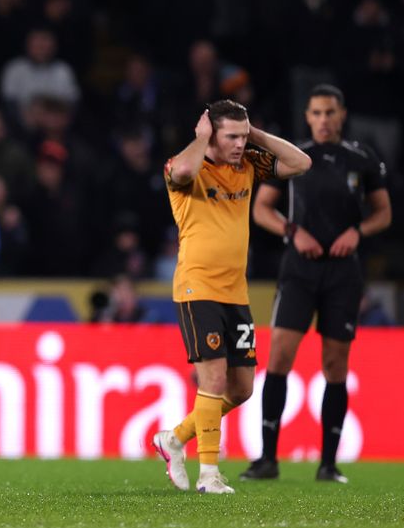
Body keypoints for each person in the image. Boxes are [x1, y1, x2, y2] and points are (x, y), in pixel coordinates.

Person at [151, 100, 310, 494]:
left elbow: (300, 163)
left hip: (235, 292)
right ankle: (209, 475)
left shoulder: (248, 165)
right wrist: (201, 138)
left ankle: (173, 439)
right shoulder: (184, 166)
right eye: (232, 136)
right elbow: (185, 169)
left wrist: (255, 134)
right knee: (214, 379)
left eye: (243, 135)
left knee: (241, 389)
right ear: (211, 133)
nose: (239, 144)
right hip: (197, 286)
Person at [241, 85, 391, 484]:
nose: (323, 120)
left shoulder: (362, 159)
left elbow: (383, 214)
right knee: (279, 358)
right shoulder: (295, 158)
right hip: (299, 270)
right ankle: (267, 458)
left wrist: (358, 232)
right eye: (316, 113)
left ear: (342, 115)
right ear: (307, 117)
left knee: (335, 364)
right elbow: (261, 209)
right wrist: (293, 231)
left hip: (343, 274)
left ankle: (328, 464)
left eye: (330, 112)